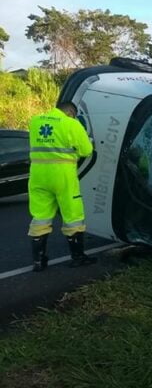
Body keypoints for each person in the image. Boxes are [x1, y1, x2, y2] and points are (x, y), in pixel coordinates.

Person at [28, 101, 96, 272]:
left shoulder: (35, 121)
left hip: (38, 175)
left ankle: (38, 261)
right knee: (73, 216)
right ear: (71, 112)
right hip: (62, 176)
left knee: (40, 217)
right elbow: (87, 150)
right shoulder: (71, 123)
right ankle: (78, 257)